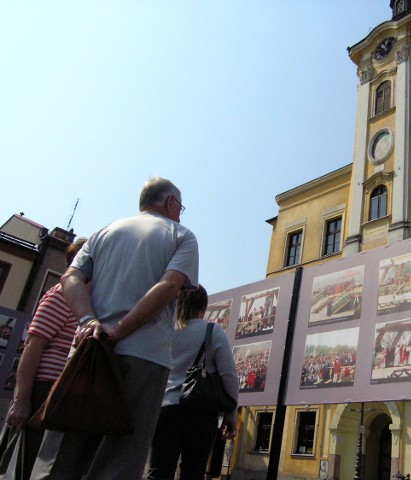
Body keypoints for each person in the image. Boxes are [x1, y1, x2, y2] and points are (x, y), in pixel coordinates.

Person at [31, 176, 199, 480]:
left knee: (63, 449)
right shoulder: (181, 235)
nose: (180, 212)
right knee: (122, 455)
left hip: (87, 350)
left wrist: (89, 321)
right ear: (171, 203)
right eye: (180, 207)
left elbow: (70, 279)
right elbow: (170, 285)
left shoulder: (103, 232)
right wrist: (119, 329)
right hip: (144, 356)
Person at [5, 238, 86, 479]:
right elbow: (32, 345)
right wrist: (21, 400)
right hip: (45, 391)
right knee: (29, 465)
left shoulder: (84, 299)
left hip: (60, 392)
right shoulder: (61, 295)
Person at [147, 285, 239, 480]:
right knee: (193, 472)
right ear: (203, 307)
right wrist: (230, 415)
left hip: (165, 408)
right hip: (201, 412)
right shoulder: (213, 331)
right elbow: (229, 377)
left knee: (158, 472)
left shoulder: (166, 329)